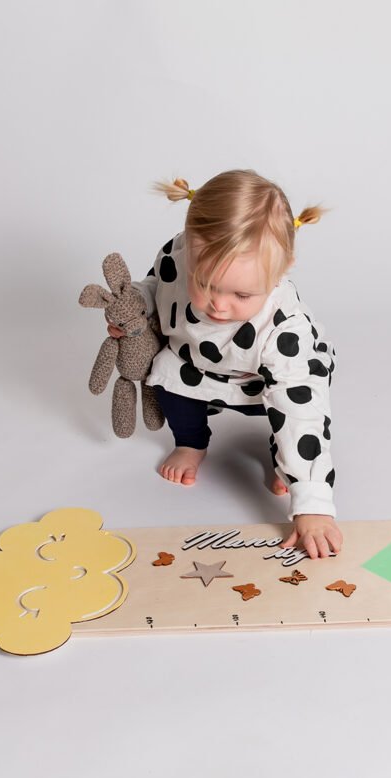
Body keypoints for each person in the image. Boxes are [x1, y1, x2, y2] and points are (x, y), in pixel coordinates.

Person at [106, 169, 342, 559]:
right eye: (205, 283)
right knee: (166, 379)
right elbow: (156, 285)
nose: (218, 304)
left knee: (289, 421)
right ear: (189, 249)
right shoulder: (178, 254)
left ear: (282, 269)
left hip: (262, 382)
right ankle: (191, 442)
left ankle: (286, 463)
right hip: (195, 366)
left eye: (241, 294)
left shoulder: (285, 332)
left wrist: (313, 504)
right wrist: (136, 303)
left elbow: (303, 412)